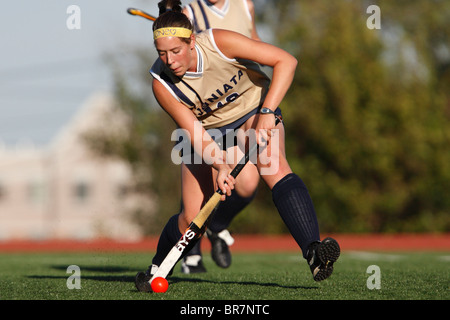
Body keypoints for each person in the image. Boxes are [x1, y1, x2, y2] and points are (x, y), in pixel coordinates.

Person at [135, 0, 340, 292]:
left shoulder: (219, 42)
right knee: (194, 218)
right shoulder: (162, 84)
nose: (169, 61)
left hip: (252, 110)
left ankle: (313, 252)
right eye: (162, 54)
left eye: (176, 51)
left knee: (273, 164)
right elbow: (194, 131)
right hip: (206, 132)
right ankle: (158, 265)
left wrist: (268, 114)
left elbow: (286, 61)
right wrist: (219, 164)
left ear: (192, 41)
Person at [180, 0, 263, 274]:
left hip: (237, 106)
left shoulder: (244, 4)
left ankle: (217, 226)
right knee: (200, 185)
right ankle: (190, 254)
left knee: (248, 183)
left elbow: (254, 40)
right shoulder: (191, 12)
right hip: (206, 115)